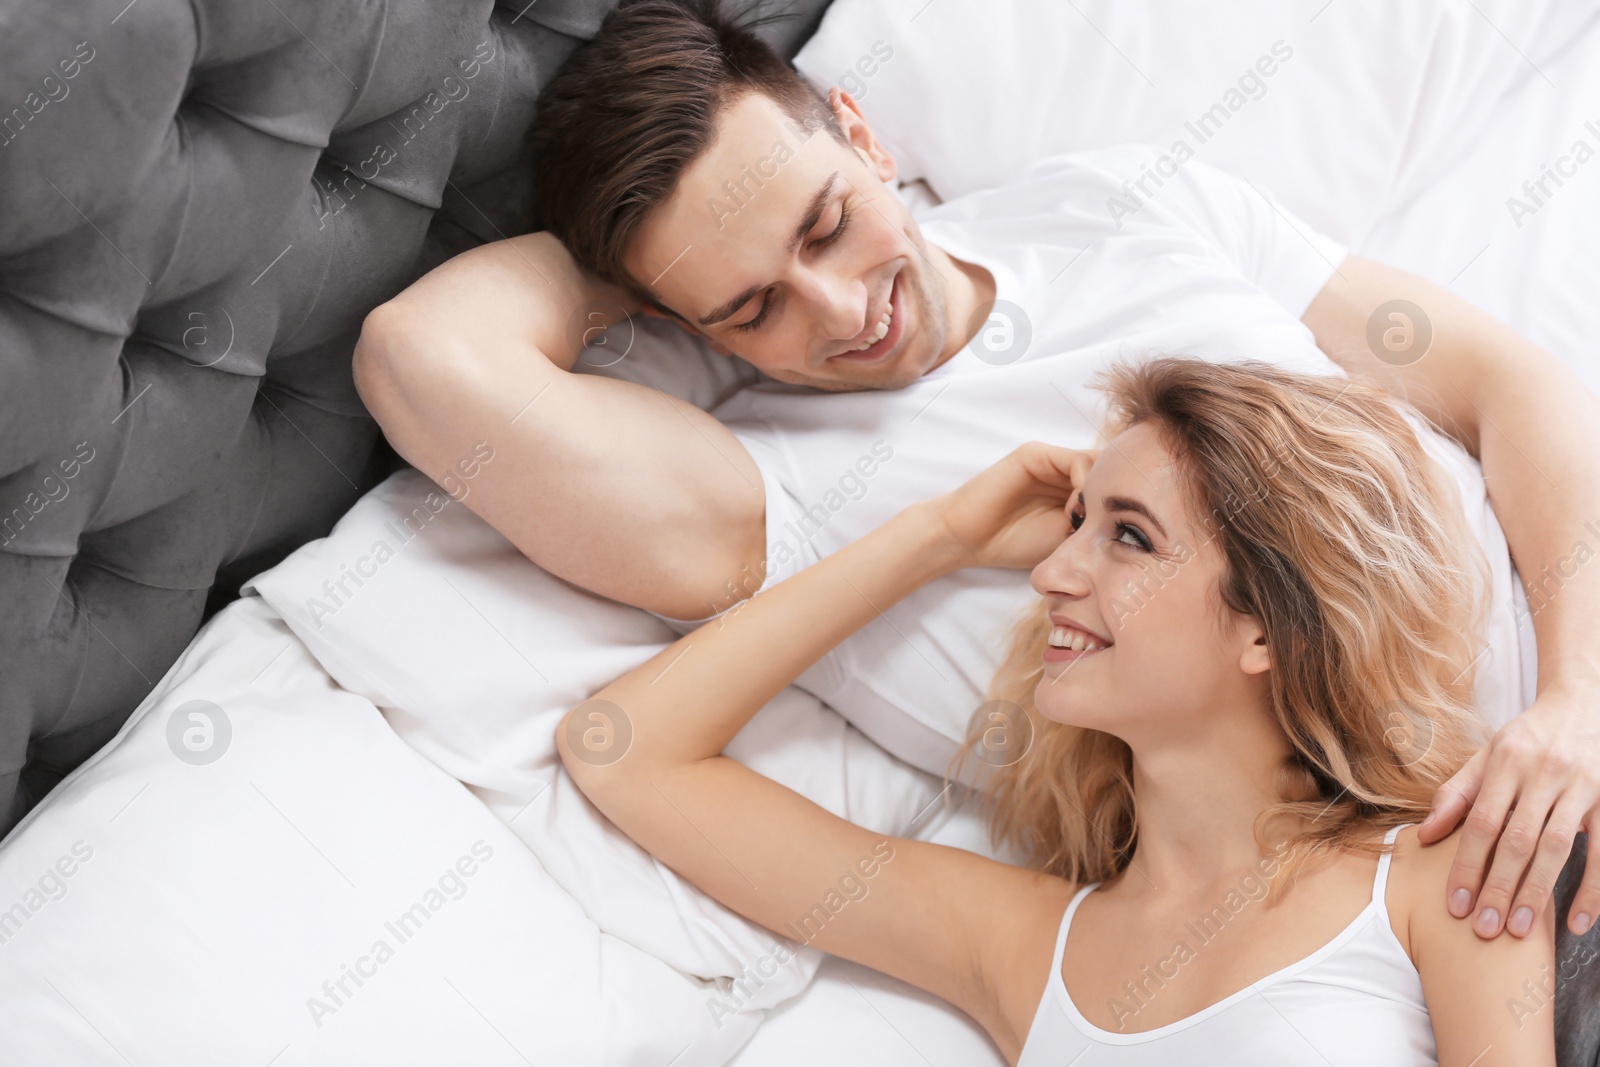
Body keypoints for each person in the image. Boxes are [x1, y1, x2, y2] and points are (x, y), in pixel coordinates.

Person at [353, 0, 1600, 946]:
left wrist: (1572, 701)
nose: (844, 310)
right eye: (753, 308)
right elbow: (415, 354)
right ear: (683, 328)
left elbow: (1511, 387)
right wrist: (644, 269)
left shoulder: (1110, 199)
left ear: (859, 129)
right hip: (1446, 900)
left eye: (824, 221)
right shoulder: (764, 500)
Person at [559, 357, 1555, 1064]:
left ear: (1268, 625)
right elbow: (625, 752)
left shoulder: (1447, 867)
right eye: (1074, 522)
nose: (1050, 571)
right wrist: (935, 534)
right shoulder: (1027, 945)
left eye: (1127, 535)